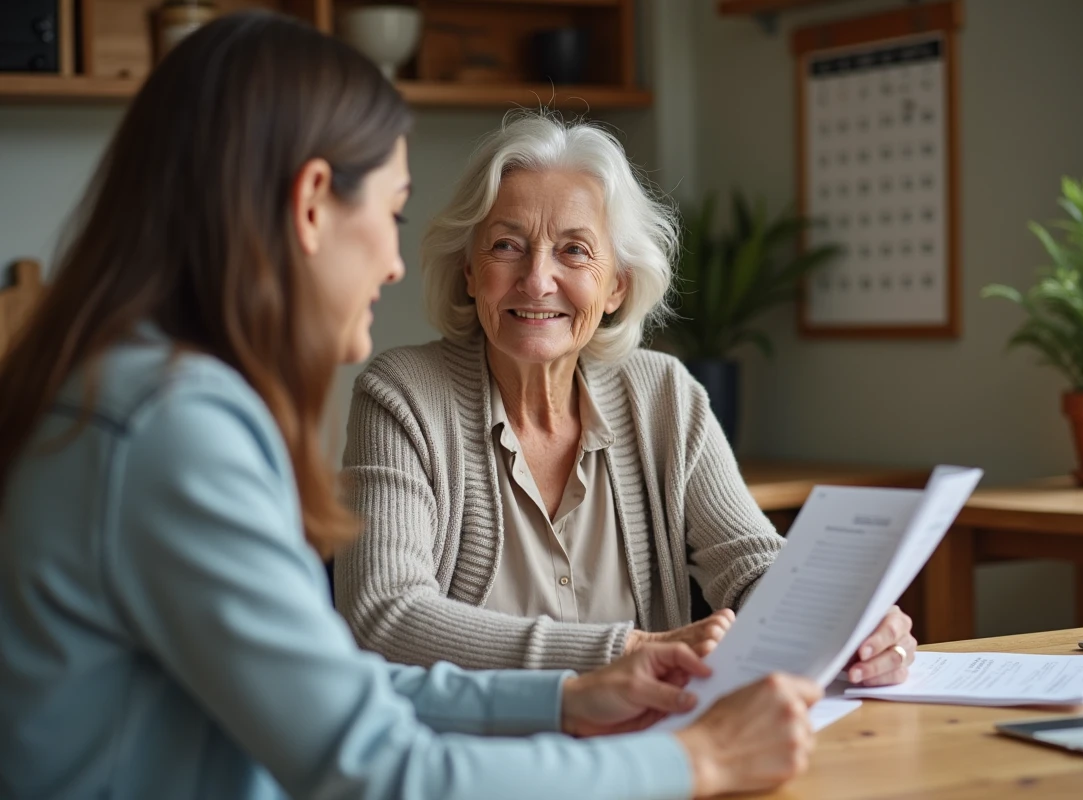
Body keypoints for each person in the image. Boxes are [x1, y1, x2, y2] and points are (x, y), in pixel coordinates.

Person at [0, 12, 824, 800]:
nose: (396, 264)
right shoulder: (176, 430)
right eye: (393, 212)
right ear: (314, 202)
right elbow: (381, 770)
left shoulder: (138, 393)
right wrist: (699, 760)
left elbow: (340, 689)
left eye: (572, 251)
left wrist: (563, 699)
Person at [335, 111, 918, 680]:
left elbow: (750, 564)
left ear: (616, 285)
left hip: (648, 746)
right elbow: (384, 615)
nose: (537, 279)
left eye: (574, 250)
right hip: (474, 757)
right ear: (468, 271)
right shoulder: (402, 395)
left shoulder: (665, 395)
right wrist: (628, 650)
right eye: (508, 246)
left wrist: (843, 621)